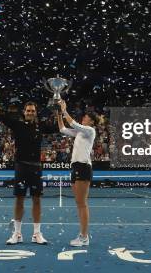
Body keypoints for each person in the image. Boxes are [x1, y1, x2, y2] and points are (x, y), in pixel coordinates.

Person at [0, 85, 58, 245]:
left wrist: (60, 109)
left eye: (32, 110)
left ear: (36, 112)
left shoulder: (41, 126)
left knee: (37, 200)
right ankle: (17, 234)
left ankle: (37, 234)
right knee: (19, 200)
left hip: (36, 167)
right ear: (24, 112)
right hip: (21, 166)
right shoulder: (17, 125)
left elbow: (61, 127)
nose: (30, 112)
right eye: (28, 110)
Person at [56, 100, 96, 247]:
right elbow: (62, 129)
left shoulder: (90, 130)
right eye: (84, 117)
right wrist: (59, 113)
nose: (84, 118)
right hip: (75, 168)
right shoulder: (80, 132)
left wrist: (65, 109)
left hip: (83, 167)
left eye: (86, 117)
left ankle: (84, 237)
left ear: (90, 121)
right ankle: (82, 235)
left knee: (82, 203)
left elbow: (72, 123)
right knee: (79, 203)